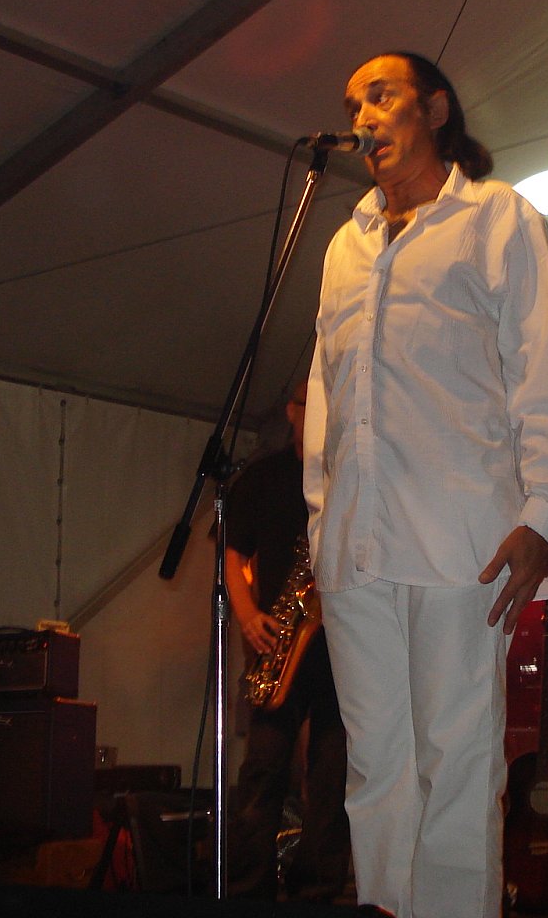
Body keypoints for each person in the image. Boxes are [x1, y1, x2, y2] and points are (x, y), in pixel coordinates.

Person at [302, 52, 548, 918]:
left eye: (381, 96)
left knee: (456, 765)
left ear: (434, 110)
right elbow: (325, 398)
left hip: (464, 541)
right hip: (355, 547)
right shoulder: (343, 246)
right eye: (352, 104)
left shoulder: (498, 218)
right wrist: (322, 528)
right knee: (375, 771)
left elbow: (547, 371)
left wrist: (545, 517)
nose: (362, 117)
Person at [225, 379, 351, 904]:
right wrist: (247, 615)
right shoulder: (261, 477)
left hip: (340, 647)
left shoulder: (346, 476)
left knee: (332, 781)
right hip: (279, 642)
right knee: (262, 774)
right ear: (292, 412)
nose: (318, 411)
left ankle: (317, 892)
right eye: (309, 403)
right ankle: (247, 891)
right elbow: (233, 553)